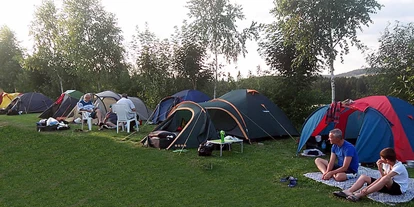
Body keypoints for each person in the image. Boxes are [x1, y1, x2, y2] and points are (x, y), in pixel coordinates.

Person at [333, 148, 409, 202]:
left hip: (398, 189)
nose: (380, 159)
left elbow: (385, 178)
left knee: (386, 178)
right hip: (387, 184)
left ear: (387, 160)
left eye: (381, 158)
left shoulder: (399, 167)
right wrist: (379, 168)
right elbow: (382, 178)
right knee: (363, 177)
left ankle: (359, 195)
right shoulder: (386, 164)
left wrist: (367, 188)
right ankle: (349, 191)